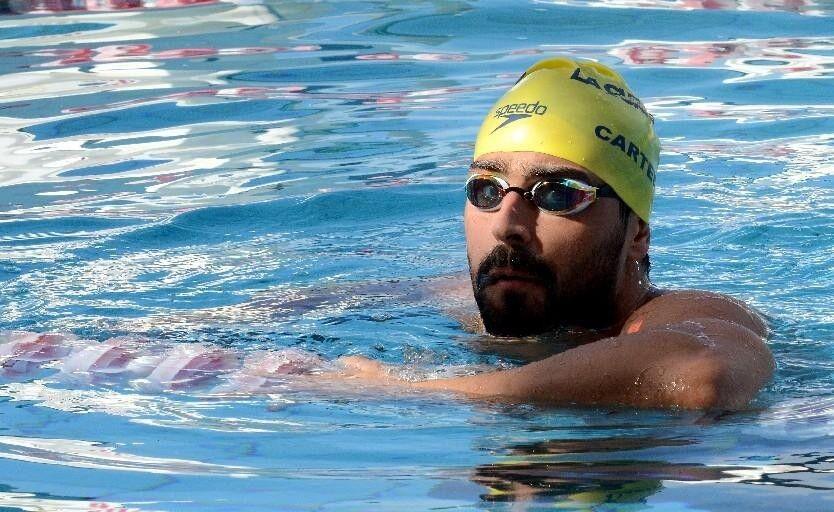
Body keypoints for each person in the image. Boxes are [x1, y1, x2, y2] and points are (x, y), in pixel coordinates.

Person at [336, 56, 774, 410]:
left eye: (558, 195)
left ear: (636, 233)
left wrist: (410, 388)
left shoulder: (681, 315)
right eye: (487, 190)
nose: (507, 226)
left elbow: (702, 371)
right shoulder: (455, 301)